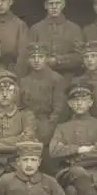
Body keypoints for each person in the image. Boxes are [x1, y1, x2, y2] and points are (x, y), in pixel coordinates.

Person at [20, 42, 66, 174]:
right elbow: (22, 106)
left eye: (40, 56)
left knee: (48, 163)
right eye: (33, 57)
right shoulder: (24, 81)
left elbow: (59, 108)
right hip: (29, 125)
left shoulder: (56, 79)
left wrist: (49, 127)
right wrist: (28, 126)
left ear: (46, 58)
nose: (36, 60)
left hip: (49, 124)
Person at [29, 0, 83, 85]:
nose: (54, 7)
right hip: (42, 80)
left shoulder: (74, 29)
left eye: (57, 3)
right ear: (45, 6)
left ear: (63, 5)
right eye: (51, 4)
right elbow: (27, 56)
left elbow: (80, 57)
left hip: (68, 79)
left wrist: (58, 60)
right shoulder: (36, 29)